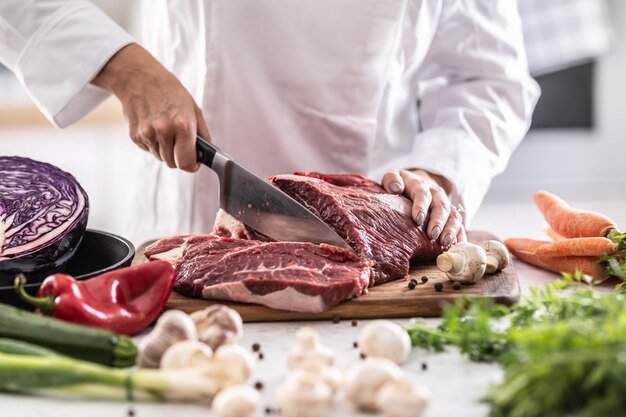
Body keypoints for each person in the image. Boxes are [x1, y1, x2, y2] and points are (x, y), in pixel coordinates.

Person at [0, 1, 539, 245]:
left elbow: (490, 79)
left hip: (365, 241)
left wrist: (439, 171)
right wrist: (122, 64)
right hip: (180, 212)